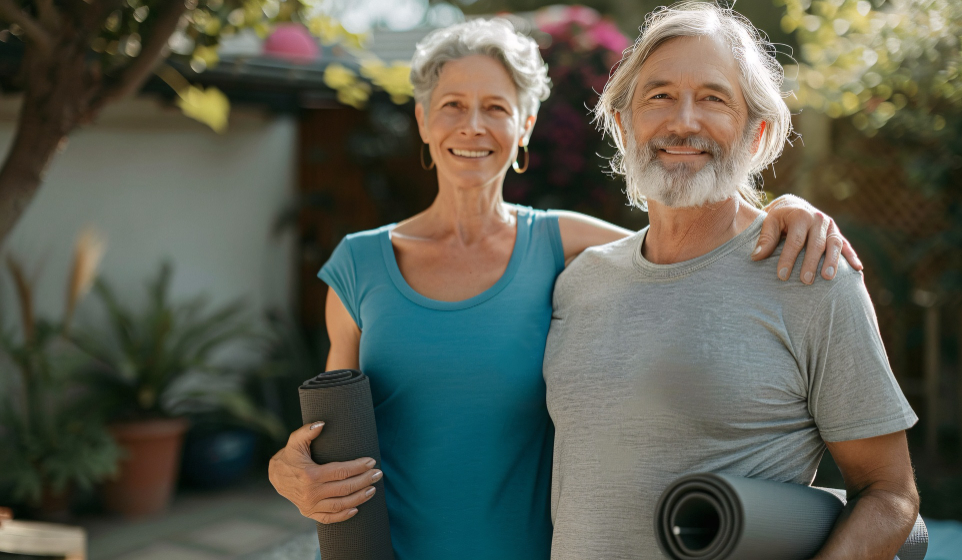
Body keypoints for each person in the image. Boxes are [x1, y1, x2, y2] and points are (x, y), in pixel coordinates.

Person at [268, 17, 862, 560]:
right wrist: (286, 470)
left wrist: (789, 208)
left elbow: (689, 230)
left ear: (524, 125)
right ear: (423, 120)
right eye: (452, 105)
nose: (473, 126)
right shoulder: (359, 265)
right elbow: (330, 433)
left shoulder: (567, 248)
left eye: (495, 107)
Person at [542, 4, 920, 560]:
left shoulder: (812, 275)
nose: (684, 121)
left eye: (714, 98)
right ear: (623, 125)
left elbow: (890, 495)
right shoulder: (579, 282)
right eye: (659, 96)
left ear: (757, 132)